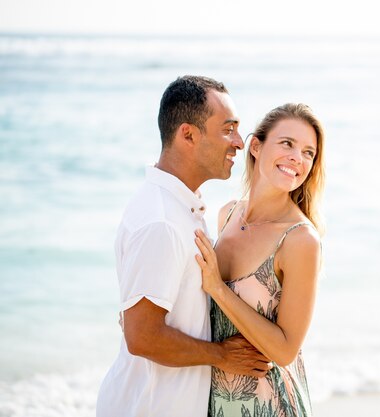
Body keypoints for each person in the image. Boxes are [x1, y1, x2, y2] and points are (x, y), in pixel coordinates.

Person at [96, 76, 272, 417]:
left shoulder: (180, 207)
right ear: (188, 135)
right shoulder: (162, 221)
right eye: (228, 129)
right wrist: (222, 355)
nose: (239, 142)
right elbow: (143, 336)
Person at [194, 103, 325, 417]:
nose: (298, 157)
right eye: (287, 143)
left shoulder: (299, 240)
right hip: (217, 403)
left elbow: (284, 350)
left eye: (309, 152)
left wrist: (219, 290)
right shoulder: (227, 214)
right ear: (255, 146)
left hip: (270, 406)